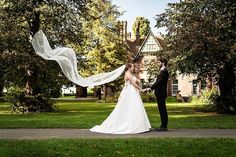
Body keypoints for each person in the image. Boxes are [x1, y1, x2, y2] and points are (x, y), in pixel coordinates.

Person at [90, 63, 151, 134]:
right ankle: (131, 125)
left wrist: (138, 81)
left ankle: (139, 125)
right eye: (132, 67)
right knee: (131, 107)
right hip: (130, 93)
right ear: (129, 68)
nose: (133, 68)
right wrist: (141, 90)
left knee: (135, 107)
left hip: (133, 92)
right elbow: (133, 84)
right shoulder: (128, 74)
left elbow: (136, 81)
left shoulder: (131, 74)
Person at [144, 58, 169, 131]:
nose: (158, 64)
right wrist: (151, 88)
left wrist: (150, 88)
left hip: (161, 93)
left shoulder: (164, 71)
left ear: (163, 63)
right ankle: (163, 125)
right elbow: (157, 82)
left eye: (159, 62)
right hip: (159, 93)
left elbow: (159, 82)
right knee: (161, 110)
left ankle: (164, 126)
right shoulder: (161, 71)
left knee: (162, 110)